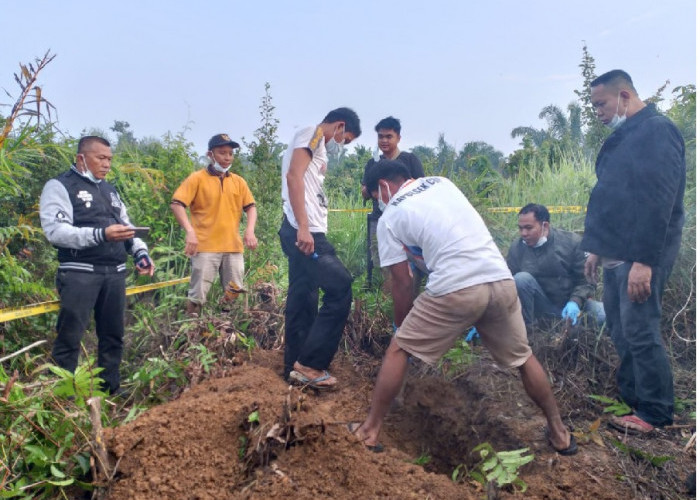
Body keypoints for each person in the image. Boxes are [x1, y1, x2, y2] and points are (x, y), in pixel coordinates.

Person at [350, 160, 576, 455]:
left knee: (398, 349)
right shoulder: (442, 183)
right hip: (501, 280)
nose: (377, 204)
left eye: (375, 197)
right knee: (523, 358)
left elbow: (402, 282)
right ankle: (560, 434)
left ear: (383, 187)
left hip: (456, 287)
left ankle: (368, 432)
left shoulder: (390, 216)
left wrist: (401, 328)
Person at [582, 70, 685, 434]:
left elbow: (659, 201)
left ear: (624, 96)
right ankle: (632, 400)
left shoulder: (656, 131)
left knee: (640, 329)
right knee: (619, 328)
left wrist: (645, 261)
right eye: (592, 105)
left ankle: (655, 411)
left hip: (639, 253)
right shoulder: (626, 136)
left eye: (601, 103)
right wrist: (596, 248)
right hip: (615, 250)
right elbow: (610, 195)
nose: (596, 111)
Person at [39, 136, 155, 395]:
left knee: (113, 335)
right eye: (101, 158)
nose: (107, 164)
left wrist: (140, 253)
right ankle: (62, 397)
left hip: (114, 274)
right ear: (81, 158)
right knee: (70, 337)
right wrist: (101, 234)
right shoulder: (60, 186)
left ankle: (109, 390)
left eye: (110, 159)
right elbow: (55, 231)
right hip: (80, 273)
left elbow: (126, 226)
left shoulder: (109, 189)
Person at [278, 108, 361, 388]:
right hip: (304, 232)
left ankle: (293, 366)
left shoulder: (317, 146)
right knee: (340, 286)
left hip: (301, 230)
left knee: (304, 296)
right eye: (345, 139)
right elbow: (293, 177)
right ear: (339, 126)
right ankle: (311, 365)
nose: (343, 145)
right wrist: (303, 226)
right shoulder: (312, 133)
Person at [171, 134, 258, 316]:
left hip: (233, 247)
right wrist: (189, 232)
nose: (227, 158)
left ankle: (223, 331)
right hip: (205, 247)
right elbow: (177, 204)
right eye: (222, 153)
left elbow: (251, 207)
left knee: (234, 292)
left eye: (230, 153)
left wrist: (249, 231)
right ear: (210, 154)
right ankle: (190, 333)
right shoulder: (197, 179)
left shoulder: (238, 181)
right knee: (197, 296)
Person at [506, 203, 605, 327]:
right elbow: (506, 286)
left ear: (545, 225)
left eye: (529, 228)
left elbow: (587, 281)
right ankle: (529, 330)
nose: (524, 233)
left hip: (573, 305)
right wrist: (494, 320)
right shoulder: (517, 248)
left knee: (606, 316)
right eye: (520, 228)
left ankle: (569, 325)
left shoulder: (571, 242)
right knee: (521, 279)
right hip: (540, 308)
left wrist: (575, 302)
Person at [361, 117, 425, 290]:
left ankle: (410, 300)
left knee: (410, 262)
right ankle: (388, 305)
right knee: (383, 263)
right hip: (379, 220)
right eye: (380, 136)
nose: (384, 140)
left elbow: (420, 187)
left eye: (388, 136)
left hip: (407, 222)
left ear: (398, 138)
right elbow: (365, 191)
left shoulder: (410, 160)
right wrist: (373, 188)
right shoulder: (373, 162)